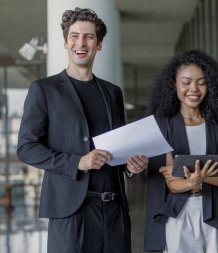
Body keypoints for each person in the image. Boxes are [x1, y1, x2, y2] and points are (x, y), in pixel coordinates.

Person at [17, 7, 147, 253]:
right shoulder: (44, 90)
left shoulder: (113, 93)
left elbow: (118, 148)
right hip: (70, 212)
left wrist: (130, 167)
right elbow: (26, 148)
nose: (81, 42)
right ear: (66, 43)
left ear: (99, 44)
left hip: (114, 210)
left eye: (89, 36)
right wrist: (77, 162)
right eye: (75, 36)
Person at [144, 50, 218, 253]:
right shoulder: (164, 126)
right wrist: (199, 177)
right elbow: (172, 183)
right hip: (180, 217)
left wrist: (197, 178)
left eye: (201, 82)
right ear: (174, 84)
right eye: (186, 82)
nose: (194, 89)